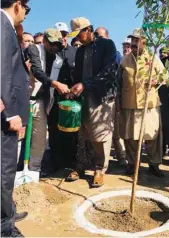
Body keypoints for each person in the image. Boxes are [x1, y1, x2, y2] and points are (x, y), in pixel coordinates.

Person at [69, 17, 117, 187]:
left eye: (79, 34)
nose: (77, 38)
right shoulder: (80, 51)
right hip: (83, 96)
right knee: (82, 133)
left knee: (100, 135)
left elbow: (109, 71)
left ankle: (99, 169)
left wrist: (86, 84)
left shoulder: (107, 45)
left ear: (89, 30)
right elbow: (78, 75)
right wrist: (73, 89)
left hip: (101, 96)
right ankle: (81, 165)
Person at [1, 0, 31, 236]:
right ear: (18, 5)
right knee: (5, 168)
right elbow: (3, 71)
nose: (26, 15)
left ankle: (7, 210)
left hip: (8, 113)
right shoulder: (3, 25)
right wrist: (11, 113)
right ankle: (4, 227)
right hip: (5, 116)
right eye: (27, 9)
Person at [118, 28, 165, 177]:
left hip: (149, 104)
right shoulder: (124, 60)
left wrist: (155, 80)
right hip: (129, 103)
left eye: (137, 40)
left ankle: (154, 164)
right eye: (132, 40)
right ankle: (132, 164)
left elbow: (165, 75)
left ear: (144, 42)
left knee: (152, 136)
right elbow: (118, 82)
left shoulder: (153, 58)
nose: (133, 43)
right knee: (130, 137)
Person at [27, 28, 70, 176]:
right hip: (27, 98)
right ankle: (19, 167)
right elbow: (38, 72)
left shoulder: (58, 57)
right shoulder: (34, 49)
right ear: (44, 40)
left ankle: (34, 170)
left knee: (39, 137)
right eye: (51, 43)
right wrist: (55, 84)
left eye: (56, 44)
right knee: (22, 138)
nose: (53, 47)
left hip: (42, 101)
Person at [45, 22, 77, 173]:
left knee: (71, 131)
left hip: (72, 99)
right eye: (59, 34)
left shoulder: (75, 52)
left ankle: (70, 161)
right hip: (54, 99)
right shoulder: (50, 53)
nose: (62, 37)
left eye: (64, 34)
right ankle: (54, 162)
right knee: (54, 130)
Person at [94, 27, 126, 165]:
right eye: (96, 36)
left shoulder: (116, 54)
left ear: (107, 37)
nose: (98, 39)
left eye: (101, 36)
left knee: (116, 131)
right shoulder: (93, 53)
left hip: (113, 97)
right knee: (103, 131)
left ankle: (122, 157)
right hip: (98, 99)